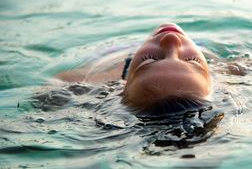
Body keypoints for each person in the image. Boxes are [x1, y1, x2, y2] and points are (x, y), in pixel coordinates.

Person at [56, 23, 212, 115]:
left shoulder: (112, 75)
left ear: (123, 85)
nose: (172, 38)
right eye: (193, 61)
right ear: (212, 82)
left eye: (148, 61)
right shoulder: (226, 72)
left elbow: (60, 81)